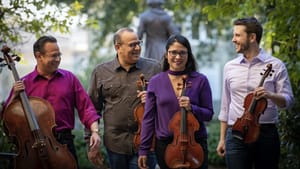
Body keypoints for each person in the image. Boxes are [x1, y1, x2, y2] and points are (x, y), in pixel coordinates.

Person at [1, 36, 101, 168]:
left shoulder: (70, 78)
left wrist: (95, 131)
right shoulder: (24, 84)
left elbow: (86, 108)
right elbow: (7, 119)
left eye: (59, 55)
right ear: (39, 56)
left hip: (64, 144)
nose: (58, 59)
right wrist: (14, 96)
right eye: (53, 56)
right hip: (32, 146)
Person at [216, 17, 294, 169]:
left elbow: (288, 101)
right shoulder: (229, 67)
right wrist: (222, 139)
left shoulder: (276, 65)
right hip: (236, 133)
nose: (233, 39)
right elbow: (225, 106)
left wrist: (270, 95)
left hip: (266, 134)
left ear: (252, 37)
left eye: (238, 35)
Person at [138, 34, 214, 169]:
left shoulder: (200, 80)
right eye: (173, 52)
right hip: (166, 145)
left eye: (182, 53)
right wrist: (143, 149)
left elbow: (208, 114)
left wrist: (192, 108)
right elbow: (148, 118)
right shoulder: (156, 81)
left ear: (188, 55)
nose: (178, 57)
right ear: (166, 54)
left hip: (195, 144)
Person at [88, 27, 161, 169]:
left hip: (146, 143)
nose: (138, 48)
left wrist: (154, 99)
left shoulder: (154, 68)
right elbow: (92, 109)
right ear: (118, 47)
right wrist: (90, 140)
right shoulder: (101, 72)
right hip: (115, 144)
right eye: (132, 45)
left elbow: (167, 102)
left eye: (139, 43)